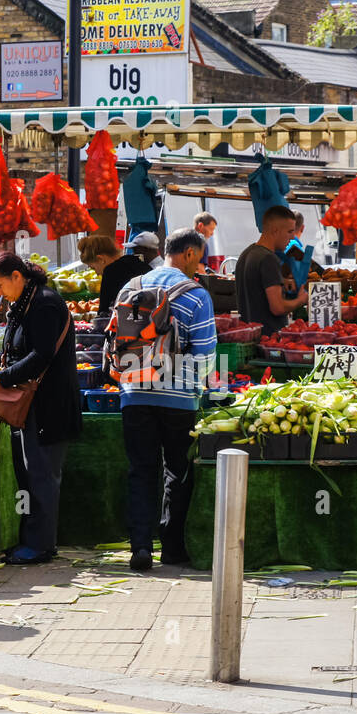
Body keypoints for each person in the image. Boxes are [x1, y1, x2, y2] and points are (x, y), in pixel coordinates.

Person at [0, 252, 81, 565]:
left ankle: (42, 545)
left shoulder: (44, 303)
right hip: (29, 405)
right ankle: (28, 539)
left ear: (17, 276)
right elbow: (17, 351)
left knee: (41, 476)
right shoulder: (24, 302)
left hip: (49, 405)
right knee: (27, 477)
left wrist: (2, 376)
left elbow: (41, 355)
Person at [117, 228, 217, 571]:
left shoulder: (130, 288)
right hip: (178, 399)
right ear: (188, 253)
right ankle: (172, 547)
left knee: (141, 470)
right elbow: (205, 356)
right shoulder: (196, 294)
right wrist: (196, 383)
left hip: (133, 394)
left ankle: (140, 547)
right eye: (199, 257)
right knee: (177, 469)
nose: (199, 264)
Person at [234, 204, 307, 334]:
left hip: (249, 337)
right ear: (275, 230)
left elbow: (256, 290)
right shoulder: (268, 259)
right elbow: (277, 308)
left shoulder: (246, 253)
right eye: (290, 231)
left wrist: (284, 283)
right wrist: (301, 300)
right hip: (269, 340)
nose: (292, 238)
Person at [81, 232, 150, 317]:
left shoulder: (110, 272)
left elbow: (103, 312)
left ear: (101, 259)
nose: (97, 273)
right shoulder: (140, 264)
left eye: (93, 268)